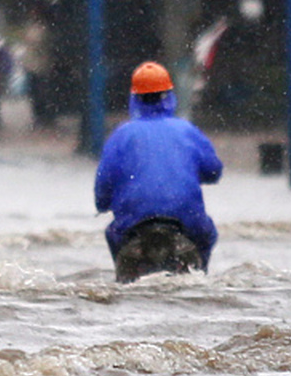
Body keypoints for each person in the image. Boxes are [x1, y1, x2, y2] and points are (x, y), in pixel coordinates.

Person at [94, 61, 223, 283]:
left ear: (134, 97)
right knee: (208, 233)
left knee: (111, 234)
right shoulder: (187, 130)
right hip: (187, 224)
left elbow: (103, 187)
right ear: (169, 95)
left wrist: (103, 204)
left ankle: (123, 280)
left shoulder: (121, 135)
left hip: (133, 229)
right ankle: (201, 277)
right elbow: (213, 170)